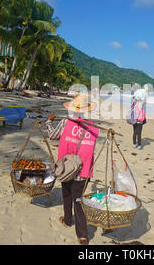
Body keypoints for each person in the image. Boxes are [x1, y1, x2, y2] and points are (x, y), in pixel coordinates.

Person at [57, 94, 99, 245]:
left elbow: (53, 135)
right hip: (83, 171)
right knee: (78, 200)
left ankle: (68, 220)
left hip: (66, 168)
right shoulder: (94, 128)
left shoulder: (64, 123)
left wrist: (48, 123)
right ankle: (82, 235)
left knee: (67, 194)